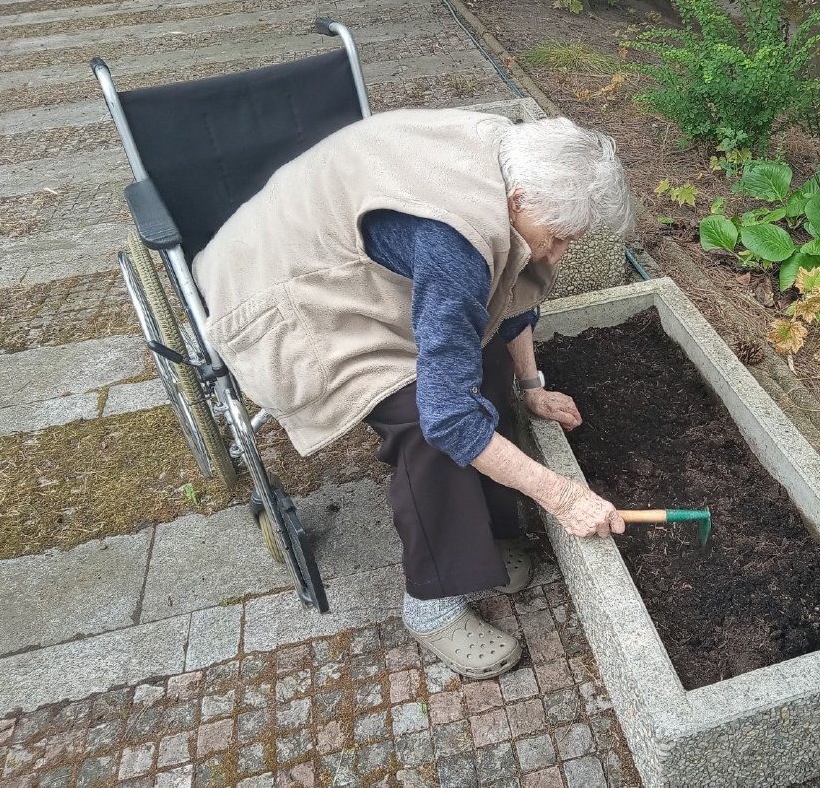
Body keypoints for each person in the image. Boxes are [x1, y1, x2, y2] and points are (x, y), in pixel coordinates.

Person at [193, 107, 631, 678]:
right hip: (289, 293)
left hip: (353, 257)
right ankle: (431, 602)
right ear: (520, 200)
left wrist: (529, 385)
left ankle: (484, 535)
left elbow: (510, 292)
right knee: (424, 423)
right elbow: (448, 418)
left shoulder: (515, 155)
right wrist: (563, 497)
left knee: (484, 368)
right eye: (558, 238)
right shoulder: (456, 241)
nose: (556, 256)